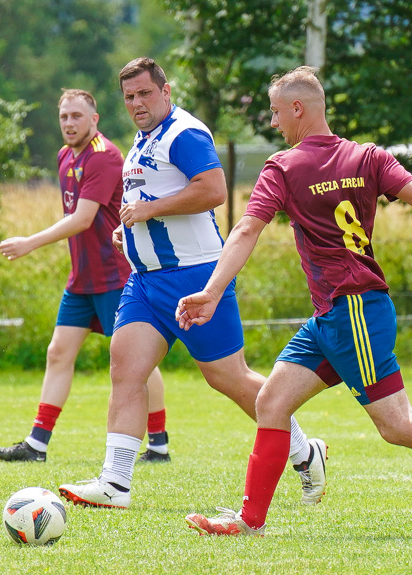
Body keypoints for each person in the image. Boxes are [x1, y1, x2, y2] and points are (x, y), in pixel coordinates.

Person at [176, 66, 412, 538]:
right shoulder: (367, 156)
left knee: (396, 424)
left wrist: (213, 290)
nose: (274, 121)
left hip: (354, 309)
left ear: (298, 109)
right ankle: (249, 522)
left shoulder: (284, 166)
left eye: (277, 112)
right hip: (334, 315)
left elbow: (246, 229)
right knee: (272, 401)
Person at [58, 58, 327, 509]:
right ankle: (115, 484)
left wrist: (149, 211)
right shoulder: (143, 140)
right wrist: (131, 230)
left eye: (145, 93)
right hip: (145, 283)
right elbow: (145, 199)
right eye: (129, 97)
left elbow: (214, 190)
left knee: (229, 378)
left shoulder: (184, 133)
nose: (137, 104)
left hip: (196, 277)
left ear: (166, 91)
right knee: (125, 368)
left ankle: (305, 452)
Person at [0, 89, 169, 463]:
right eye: (64, 117)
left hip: (114, 278)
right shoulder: (64, 156)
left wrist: (30, 243)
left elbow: (83, 219)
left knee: (136, 361)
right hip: (82, 280)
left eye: (76, 116)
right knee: (58, 353)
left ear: (94, 119)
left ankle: (159, 443)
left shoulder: (105, 157)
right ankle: (36, 444)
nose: (69, 123)